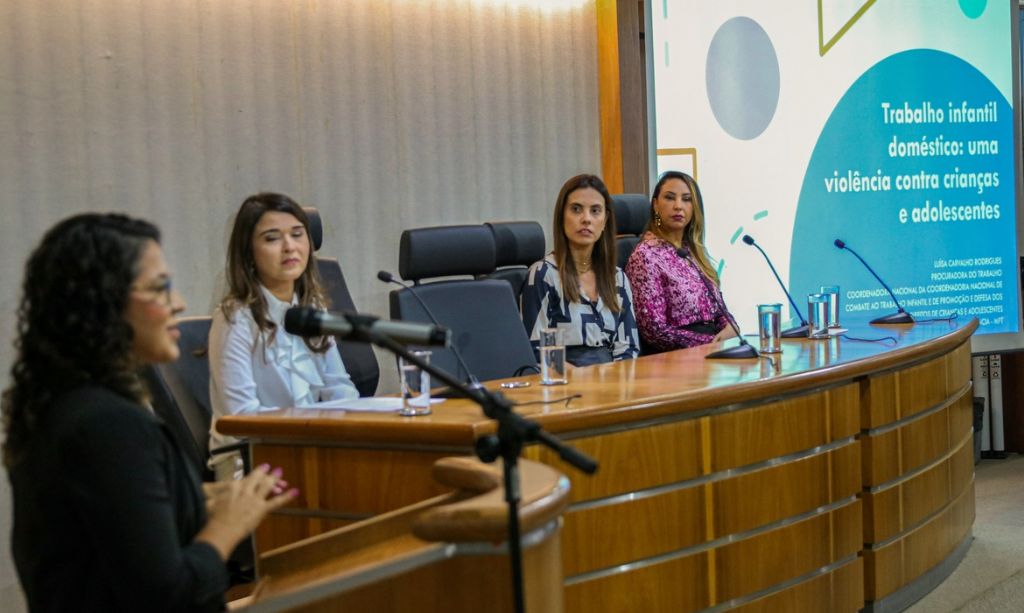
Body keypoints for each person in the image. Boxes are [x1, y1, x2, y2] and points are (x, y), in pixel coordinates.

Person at [3, 213, 297, 612]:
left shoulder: (67, 404)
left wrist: (198, 498)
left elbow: (114, 521)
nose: (178, 303)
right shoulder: (106, 424)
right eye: (160, 288)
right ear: (103, 304)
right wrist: (229, 524)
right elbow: (167, 595)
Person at [209, 193, 358, 480]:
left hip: (309, 447)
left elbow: (338, 386)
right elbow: (241, 416)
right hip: (252, 462)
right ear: (248, 252)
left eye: (297, 234)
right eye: (272, 238)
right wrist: (313, 426)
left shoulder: (312, 307)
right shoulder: (234, 318)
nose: (289, 246)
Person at [521, 174, 639, 366]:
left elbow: (629, 347)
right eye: (576, 209)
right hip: (565, 379)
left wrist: (616, 379)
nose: (586, 219)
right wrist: (582, 379)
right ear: (562, 216)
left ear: (605, 220)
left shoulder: (618, 278)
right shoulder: (543, 275)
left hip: (613, 378)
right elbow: (536, 351)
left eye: (595, 211)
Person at [625, 171, 737, 352]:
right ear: (655, 204)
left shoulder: (692, 252)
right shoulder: (645, 256)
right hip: (675, 357)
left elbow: (718, 309)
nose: (678, 206)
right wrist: (709, 343)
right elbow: (653, 330)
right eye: (670, 198)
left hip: (713, 349)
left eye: (686, 199)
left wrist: (730, 326)